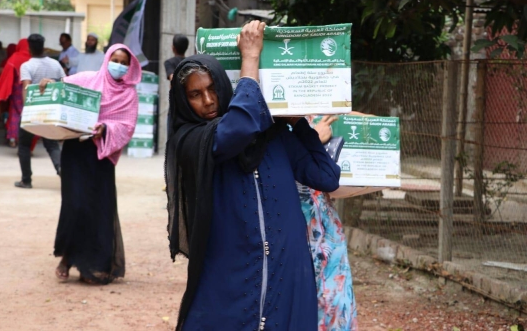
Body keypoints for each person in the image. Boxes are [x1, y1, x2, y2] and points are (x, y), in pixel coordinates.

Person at [165, 21, 341, 330]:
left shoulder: (274, 136)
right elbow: (237, 129)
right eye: (195, 94)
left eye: (211, 90)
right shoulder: (193, 140)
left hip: (287, 267)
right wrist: (250, 59)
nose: (207, 101)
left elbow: (327, 178)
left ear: (223, 86)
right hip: (230, 268)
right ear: (184, 101)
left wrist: (298, 123)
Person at [47, 43, 141, 285]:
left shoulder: (129, 95)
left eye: (124, 63)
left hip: (101, 156)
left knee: (98, 208)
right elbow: (63, 86)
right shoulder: (88, 79)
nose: (119, 66)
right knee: (75, 205)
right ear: (107, 58)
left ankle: (93, 266)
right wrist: (50, 84)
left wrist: (105, 128)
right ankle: (67, 258)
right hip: (76, 152)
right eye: (115, 60)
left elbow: (127, 126)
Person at [298, 115, 358, 330]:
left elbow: (365, 121)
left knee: (335, 302)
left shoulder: (321, 114)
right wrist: (312, 139)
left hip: (326, 226)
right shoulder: (270, 118)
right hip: (292, 225)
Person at [15, 34, 65, 189]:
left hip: (34, 111)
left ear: (29, 48)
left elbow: (26, 88)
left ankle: (26, 180)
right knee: (52, 145)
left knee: (24, 145)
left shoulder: (27, 66)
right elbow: (65, 83)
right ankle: (61, 169)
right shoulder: (55, 64)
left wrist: (26, 112)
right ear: (44, 47)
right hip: (51, 112)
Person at [0, 39, 31, 147]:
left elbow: (6, 74)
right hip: (31, 89)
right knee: (29, 115)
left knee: (14, 114)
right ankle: (27, 140)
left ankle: (13, 139)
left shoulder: (14, 57)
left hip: (16, 90)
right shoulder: (32, 58)